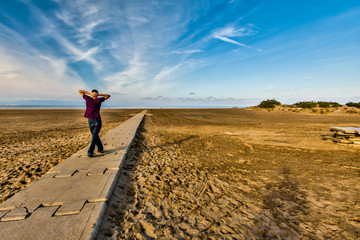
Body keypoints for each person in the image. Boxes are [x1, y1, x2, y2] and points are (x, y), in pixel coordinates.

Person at [79, 89, 111, 157]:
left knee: (94, 135)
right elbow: (108, 96)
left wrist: (90, 93)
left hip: (94, 119)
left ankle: (90, 151)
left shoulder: (94, 99)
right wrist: (97, 94)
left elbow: (80, 91)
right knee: (95, 135)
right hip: (95, 120)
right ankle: (100, 148)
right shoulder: (90, 99)